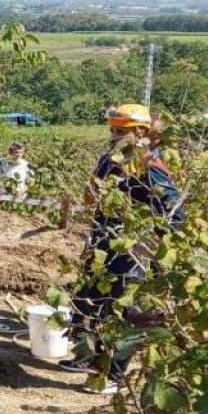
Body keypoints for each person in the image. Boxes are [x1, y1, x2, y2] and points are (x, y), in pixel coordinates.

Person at [61, 104, 184, 394]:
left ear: (140, 132)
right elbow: (91, 195)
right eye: (113, 130)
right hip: (104, 245)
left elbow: (175, 213)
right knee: (94, 302)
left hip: (133, 251)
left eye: (121, 131)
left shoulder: (150, 168)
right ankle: (90, 359)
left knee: (127, 310)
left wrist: (155, 248)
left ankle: (114, 375)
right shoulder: (111, 159)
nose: (115, 135)